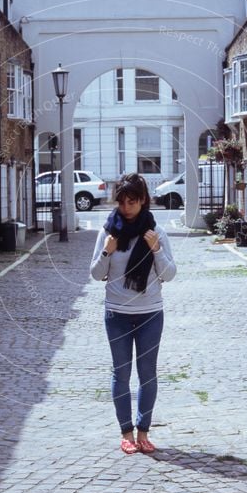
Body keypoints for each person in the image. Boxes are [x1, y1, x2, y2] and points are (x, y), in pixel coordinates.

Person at [90, 173, 177, 454]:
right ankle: (126, 433)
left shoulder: (156, 233)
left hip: (151, 313)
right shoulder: (109, 233)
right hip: (117, 314)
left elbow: (170, 274)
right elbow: (95, 274)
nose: (126, 208)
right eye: (123, 202)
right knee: (121, 373)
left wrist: (157, 250)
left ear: (143, 201)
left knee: (148, 374)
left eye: (133, 202)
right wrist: (106, 253)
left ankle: (143, 432)